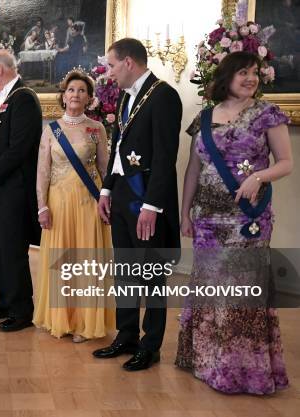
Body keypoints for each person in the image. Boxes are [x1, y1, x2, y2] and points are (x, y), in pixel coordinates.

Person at [176, 51, 292, 394]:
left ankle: (241, 371)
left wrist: (259, 176)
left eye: (255, 72)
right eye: (243, 72)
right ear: (226, 76)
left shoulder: (266, 114)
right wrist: (185, 212)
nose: (251, 78)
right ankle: (208, 361)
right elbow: (193, 170)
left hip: (247, 219)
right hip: (208, 218)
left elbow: (285, 163)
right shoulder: (205, 118)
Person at [93, 38, 182, 371]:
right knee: (126, 272)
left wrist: (153, 206)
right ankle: (126, 335)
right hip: (122, 196)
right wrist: (106, 190)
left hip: (147, 199)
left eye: (112, 66)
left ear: (129, 62)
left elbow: (164, 156)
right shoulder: (125, 99)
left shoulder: (163, 96)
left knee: (151, 274)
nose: (109, 73)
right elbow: (118, 149)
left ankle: (151, 344)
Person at [33, 69, 114, 342]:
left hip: (87, 203)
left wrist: (107, 198)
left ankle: (84, 322)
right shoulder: (51, 130)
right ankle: (62, 318)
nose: (76, 94)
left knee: (85, 260)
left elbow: (105, 168)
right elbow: (42, 171)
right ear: (63, 96)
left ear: (89, 98)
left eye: (81, 90)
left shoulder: (96, 129)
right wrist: (42, 206)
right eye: (71, 90)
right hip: (58, 203)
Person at [0, 50, 42, 332]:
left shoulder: (24, 98)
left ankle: (21, 310)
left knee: (13, 249)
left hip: (14, 187)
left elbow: (21, 147)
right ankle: (2, 300)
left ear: (0, 70)